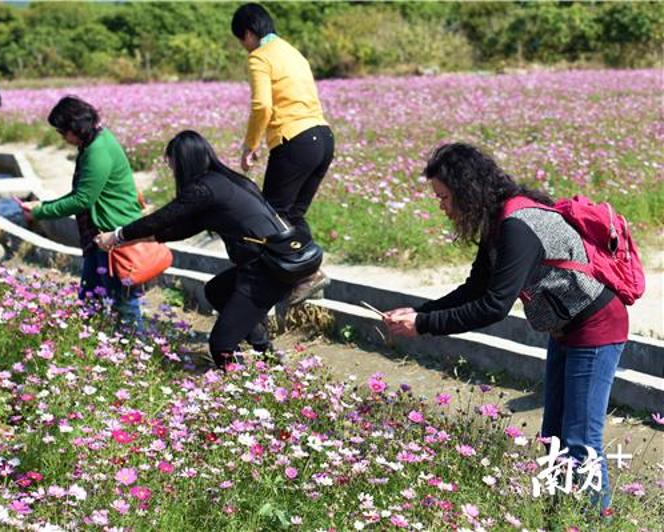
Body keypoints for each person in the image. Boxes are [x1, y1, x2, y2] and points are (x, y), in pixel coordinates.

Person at [385, 143, 628, 513]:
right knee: (554, 438)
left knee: (581, 441)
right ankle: (560, 516)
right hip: (566, 327)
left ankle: (597, 521)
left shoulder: (517, 225)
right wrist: (419, 310)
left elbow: (494, 306)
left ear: (467, 191)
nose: (441, 206)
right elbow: (475, 288)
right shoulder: (497, 221)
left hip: (596, 325)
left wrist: (422, 325)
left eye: (444, 197)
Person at [94, 130, 298, 370]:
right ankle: (266, 352)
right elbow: (182, 228)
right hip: (272, 262)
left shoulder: (203, 189)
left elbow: (163, 218)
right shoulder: (227, 181)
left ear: (182, 162)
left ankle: (240, 381)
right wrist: (130, 239)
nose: (173, 172)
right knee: (217, 291)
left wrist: (117, 235)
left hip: (266, 270)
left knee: (221, 345)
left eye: (172, 166)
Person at [231, 3, 335, 305]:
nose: (244, 47)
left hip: (295, 139)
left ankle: (304, 275)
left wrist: (250, 144)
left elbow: (262, 105)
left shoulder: (260, 57)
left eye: (242, 40)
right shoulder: (292, 51)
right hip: (323, 137)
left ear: (249, 33)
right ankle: (308, 271)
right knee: (291, 214)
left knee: (270, 215)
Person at [21, 96, 144, 327]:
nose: (62, 138)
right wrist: (43, 206)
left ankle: (133, 344)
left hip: (112, 234)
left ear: (76, 128)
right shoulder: (94, 142)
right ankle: (89, 343)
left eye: (62, 132)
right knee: (90, 298)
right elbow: (82, 193)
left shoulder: (97, 151)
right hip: (98, 237)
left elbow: (82, 199)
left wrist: (40, 212)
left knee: (123, 303)